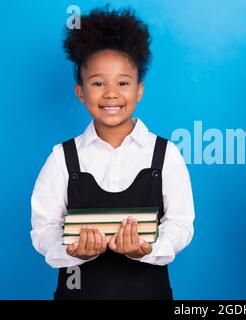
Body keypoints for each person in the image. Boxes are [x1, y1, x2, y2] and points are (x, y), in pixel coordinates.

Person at [31, 6, 195, 300]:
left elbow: (181, 223)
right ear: (80, 92)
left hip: (150, 292)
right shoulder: (62, 158)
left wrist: (149, 249)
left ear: (139, 89)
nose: (111, 93)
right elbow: (44, 228)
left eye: (122, 83)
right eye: (97, 83)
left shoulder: (166, 154)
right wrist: (71, 251)